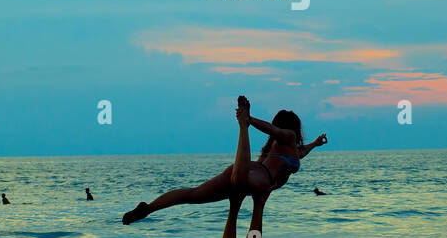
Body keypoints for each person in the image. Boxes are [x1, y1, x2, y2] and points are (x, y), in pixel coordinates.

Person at [123, 96, 326, 225]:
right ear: (293, 127)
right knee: (255, 220)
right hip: (257, 180)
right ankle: (243, 126)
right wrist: (249, 119)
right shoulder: (288, 136)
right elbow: (271, 129)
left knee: (193, 194)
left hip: (241, 171)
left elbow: (300, 153)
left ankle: (149, 207)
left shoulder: (279, 149)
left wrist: (316, 143)